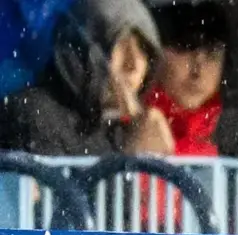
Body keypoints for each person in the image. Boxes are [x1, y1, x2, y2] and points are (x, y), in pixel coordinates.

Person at [0, 0, 157, 156]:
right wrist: (132, 156)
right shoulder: (33, 114)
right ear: (83, 50)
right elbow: (56, 181)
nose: (134, 64)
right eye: (121, 44)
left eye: (143, 49)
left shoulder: (118, 130)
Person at [139, 0, 225, 157]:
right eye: (184, 46)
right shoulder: (111, 132)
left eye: (212, 53)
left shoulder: (237, 145)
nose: (197, 71)